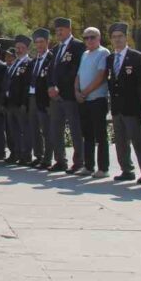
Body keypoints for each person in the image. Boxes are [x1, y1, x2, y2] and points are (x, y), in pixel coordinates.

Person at [106, 22, 141, 183]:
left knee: (139, 141)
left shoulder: (137, 57)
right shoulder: (110, 58)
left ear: (126, 38)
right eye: (114, 37)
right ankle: (127, 170)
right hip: (117, 107)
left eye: (120, 36)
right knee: (120, 141)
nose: (117, 40)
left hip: (132, 106)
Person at [47, 17, 85, 173]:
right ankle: (60, 160)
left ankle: (78, 162)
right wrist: (50, 86)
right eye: (56, 31)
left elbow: (76, 70)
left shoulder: (78, 46)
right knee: (56, 129)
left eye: (61, 30)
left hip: (70, 95)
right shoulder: (55, 49)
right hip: (55, 97)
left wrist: (60, 88)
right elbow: (50, 71)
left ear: (69, 30)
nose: (59, 33)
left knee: (75, 129)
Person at [75, 28, 110, 177]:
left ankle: (103, 168)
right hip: (84, 100)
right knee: (87, 134)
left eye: (92, 37)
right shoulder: (84, 54)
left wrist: (85, 92)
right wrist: (76, 91)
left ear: (99, 37)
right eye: (86, 38)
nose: (89, 40)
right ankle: (88, 166)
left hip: (97, 99)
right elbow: (78, 75)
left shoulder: (104, 53)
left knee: (100, 135)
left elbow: (101, 76)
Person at [4, 35, 31, 164]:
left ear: (27, 49)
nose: (19, 50)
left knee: (24, 130)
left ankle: (26, 155)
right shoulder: (15, 63)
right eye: (17, 48)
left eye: (22, 48)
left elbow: (27, 85)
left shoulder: (28, 63)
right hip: (10, 103)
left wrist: (24, 103)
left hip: (20, 103)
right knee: (12, 130)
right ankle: (15, 153)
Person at [27, 29, 52, 169]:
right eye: (37, 42)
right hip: (32, 96)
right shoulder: (34, 60)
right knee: (34, 128)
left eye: (42, 42)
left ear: (47, 42)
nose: (39, 45)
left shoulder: (51, 59)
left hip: (44, 98)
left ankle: (48, 158)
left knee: (46, 129)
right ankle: (38, 156)